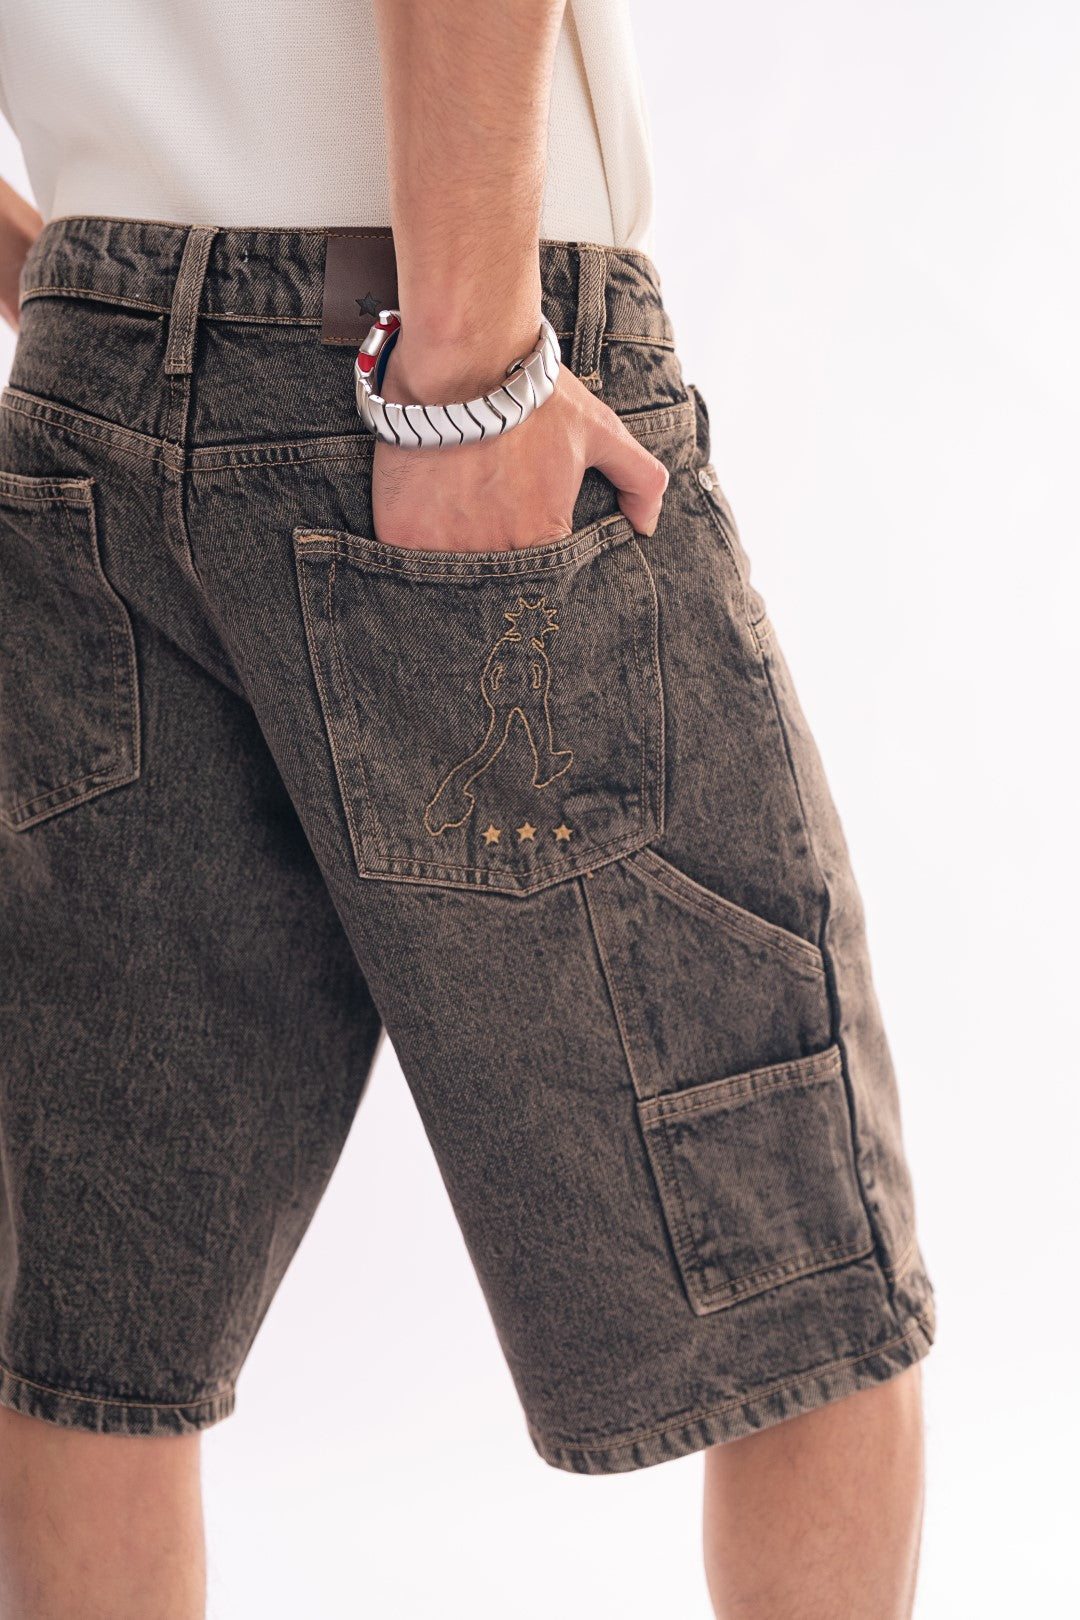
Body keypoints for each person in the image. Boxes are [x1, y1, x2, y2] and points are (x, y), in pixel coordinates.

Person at [0, 3, 937, 1616]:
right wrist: (473, 367)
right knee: (790, 1268)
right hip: (430, 344)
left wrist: (70, 295)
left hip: (88, 389)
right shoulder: (460, 369)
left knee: (90, 1322)